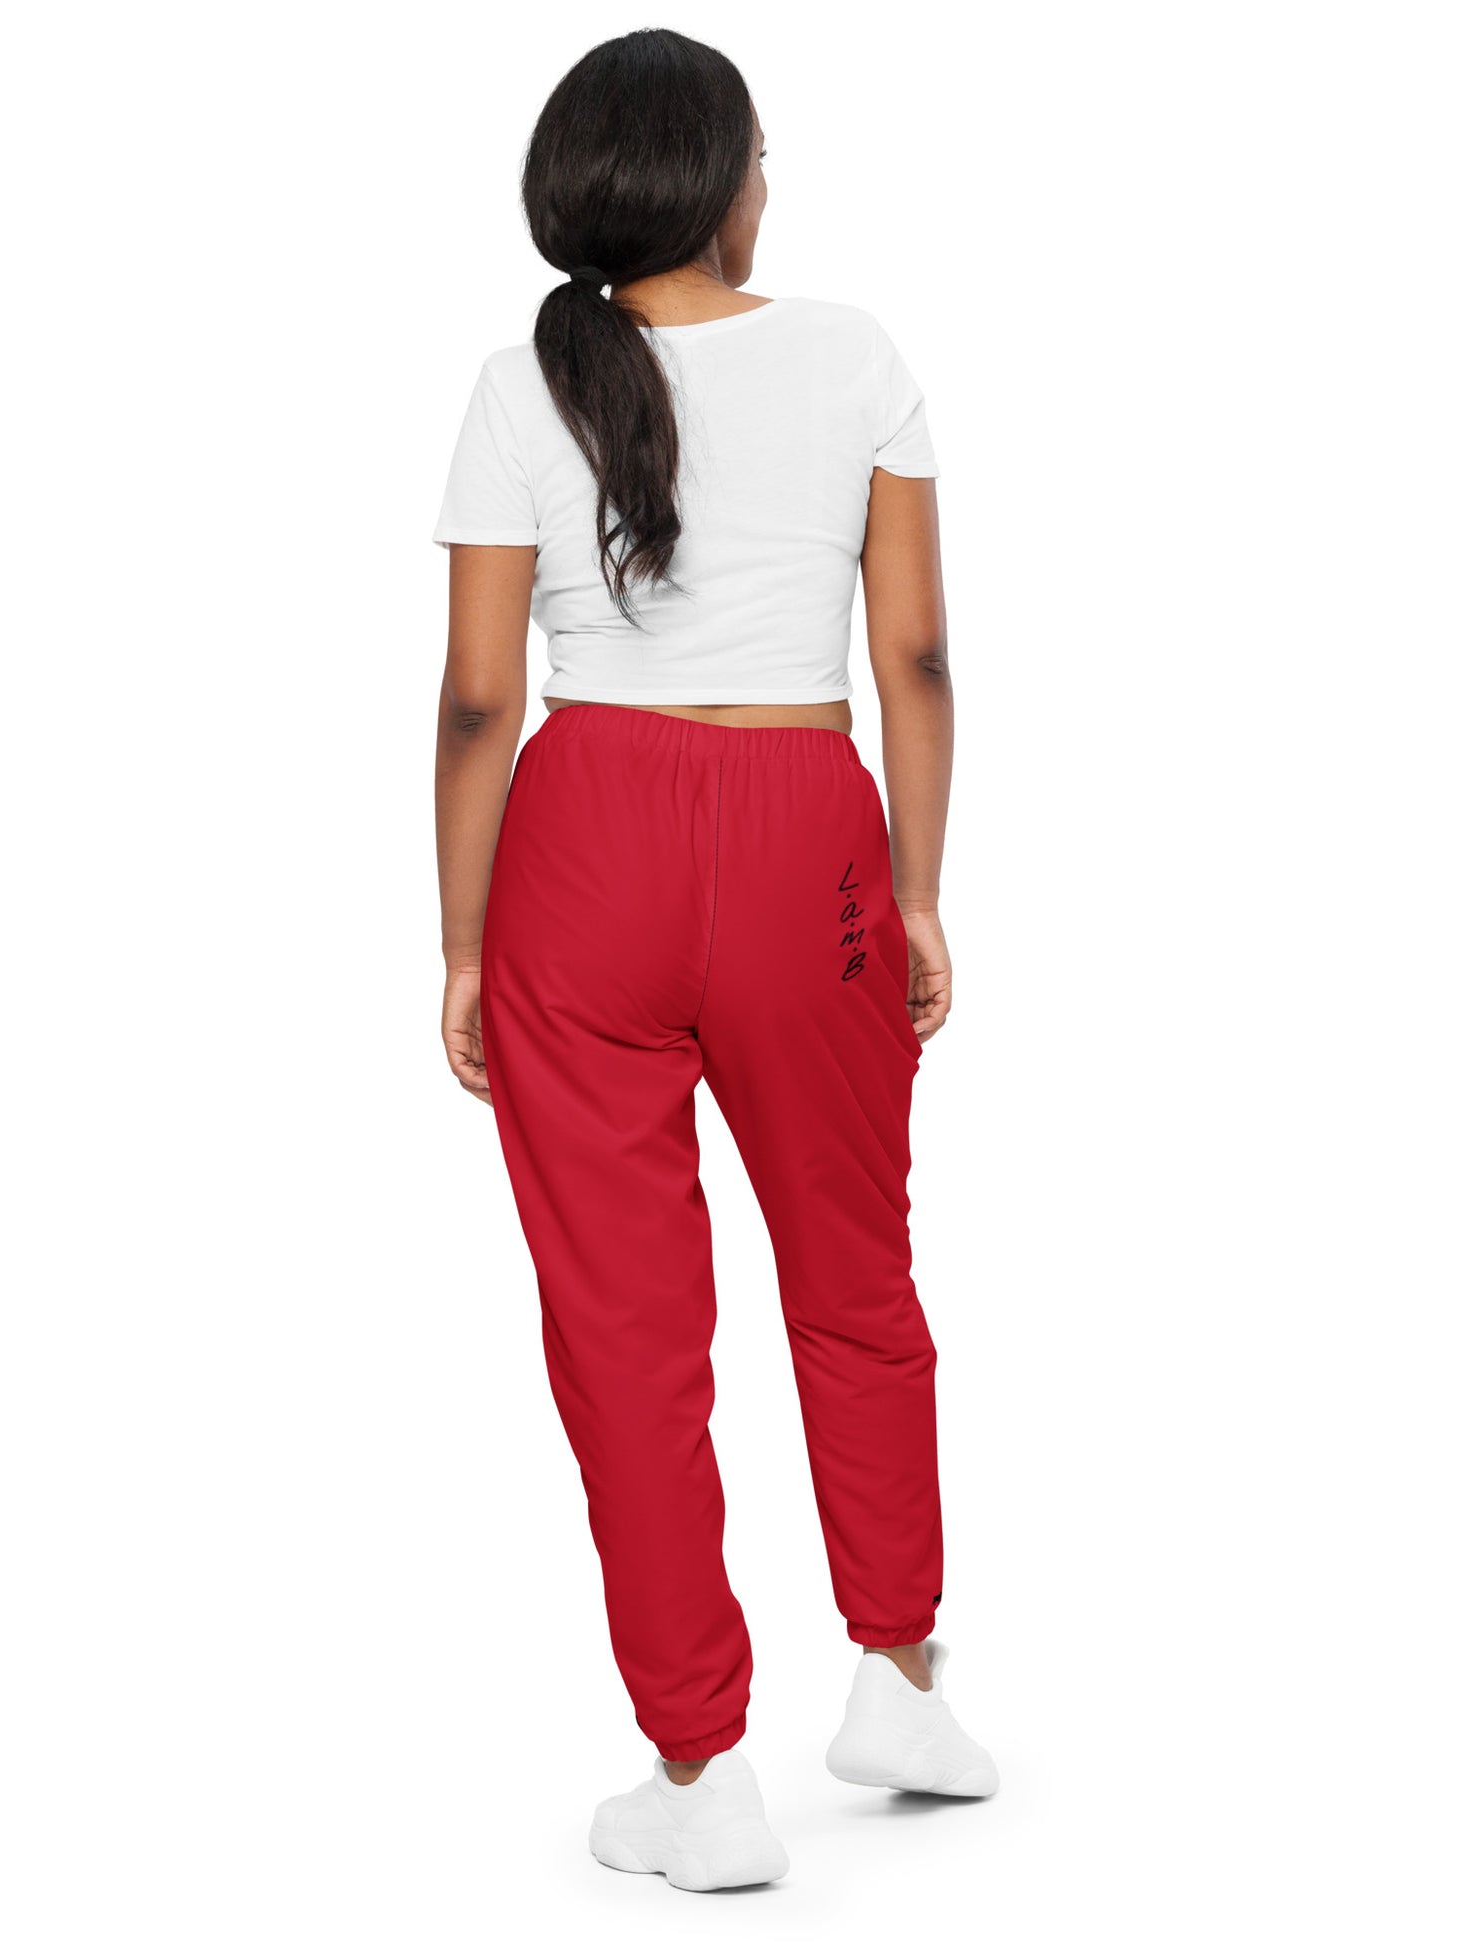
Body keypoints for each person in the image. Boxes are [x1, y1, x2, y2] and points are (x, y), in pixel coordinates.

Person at [432, 28, 996, 1891]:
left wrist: (462, 939)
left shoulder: (518, 381)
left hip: (578, 846)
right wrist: (914, 892)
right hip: (801, 830)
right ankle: (897, 1674)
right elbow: (913, 660)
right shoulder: (853, 354)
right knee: (852, 1266)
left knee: (623, 1328)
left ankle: (699, 1773)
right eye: (762, 153)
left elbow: (478, 698)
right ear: (715, 180)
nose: (771, 183)